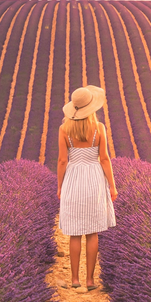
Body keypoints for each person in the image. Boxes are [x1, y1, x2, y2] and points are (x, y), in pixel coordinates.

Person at [57, 85, 117, 291]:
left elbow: (62, 161)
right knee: (92, 233)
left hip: (73, 180)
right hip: (94, 180)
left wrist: (60, 187)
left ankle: (75, 279)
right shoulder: (99, 128)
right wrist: (112, 186)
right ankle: (90, 280)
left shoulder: (64, 129)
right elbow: (105, 159)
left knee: (74, 233)